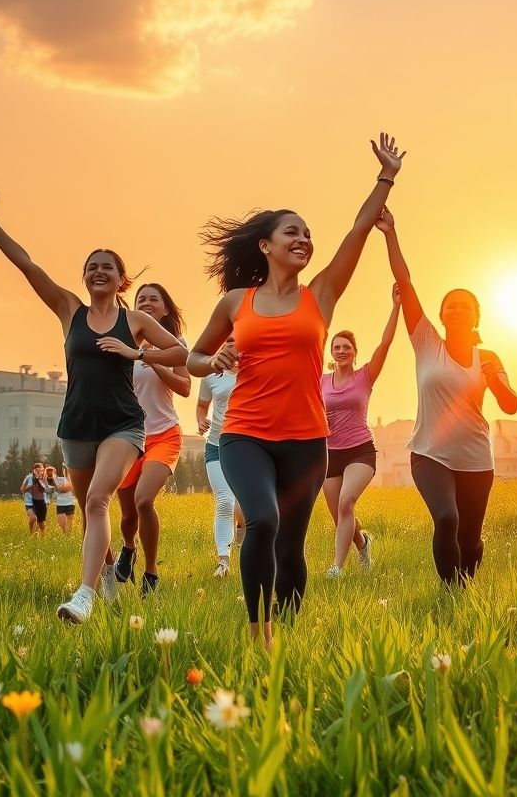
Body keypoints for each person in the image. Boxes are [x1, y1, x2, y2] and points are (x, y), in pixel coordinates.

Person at [187, 133, 404, 648]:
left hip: (308, 440)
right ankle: (258, 634)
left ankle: (285, 633)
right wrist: (212, 359)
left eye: (308, 233)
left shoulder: (320, 295)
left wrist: (387, 176)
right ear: (266, 245)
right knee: (261, 520)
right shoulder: (235, 302)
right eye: (292, 232)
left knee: (292, 543)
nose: (304, 239)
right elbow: (194, 358)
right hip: (246, 435)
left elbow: (356, 231)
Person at [0, 189, 187, 623]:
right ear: (84, 277)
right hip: (76, 425)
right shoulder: (69, 310)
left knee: (98, 500)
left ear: (121, 279)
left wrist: (138, 353)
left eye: (108, 267)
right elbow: (27, 266)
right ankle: (110, 573)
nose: (99, 271)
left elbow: (180, 354)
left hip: (124, 424)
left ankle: (85, 594)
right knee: (86, 507)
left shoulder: (135, 321)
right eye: (92, 267)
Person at [379, 206, 517, 585]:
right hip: (429, 454)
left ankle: (468, 583)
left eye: (465, 307)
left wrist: (497, 381)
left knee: (470, 540)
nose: (457, 310)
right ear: (441, 314)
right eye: (450, 306)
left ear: (476, 317)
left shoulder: (488, 357)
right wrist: (390, 232)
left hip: (476, 459)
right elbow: (405, 283)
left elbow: (511, 404)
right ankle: (451, 593)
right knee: (447, 519)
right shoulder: (426, 342)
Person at [114, 283, 190, 593]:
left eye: (153, 299)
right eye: (141, 298)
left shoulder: (175, 345)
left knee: (144, 500)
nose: (146, 302)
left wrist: (155, 361)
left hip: (164, 434)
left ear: (165, 309)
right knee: (128, 512)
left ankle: (151, 573)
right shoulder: (122, 345)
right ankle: (129, 548)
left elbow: (185, 387)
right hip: (127, 437)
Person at [322, 284, 401, 577]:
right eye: (337, 347)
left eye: (347, 347)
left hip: (360, 450)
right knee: (341, 515)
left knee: (346, 502)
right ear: (332, 352)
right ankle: (363, 542)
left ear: (355, 352)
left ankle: (336, 568)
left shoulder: (365, 376)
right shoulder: (321, 382)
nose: (342, 351)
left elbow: (385, 345)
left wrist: (396, 307)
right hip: (329, 453)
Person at [197, 358, 244, 577]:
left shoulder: (256, 370)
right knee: (225, 501)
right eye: (229, 340)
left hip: (248, 447)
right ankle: (223, 562)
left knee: (244, 507)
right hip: (216, 445)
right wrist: (200, 420)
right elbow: (201, 406)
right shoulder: (211, 374)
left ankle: (243, 546)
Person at [20, 461, 51, 535]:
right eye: (36, 470)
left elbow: (46, 490)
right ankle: (31, 534)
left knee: (41, 523)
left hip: (41, 502)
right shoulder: (28, 477)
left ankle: (43, 538)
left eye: (40, 470)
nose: (38, 472)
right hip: (29, 502)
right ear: (33, 470)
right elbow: (22, 489)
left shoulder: (44, 478)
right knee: (33, 518)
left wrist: (40, 482)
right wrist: (31, 485)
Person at [52, 464, 76, 535]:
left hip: (70, 503)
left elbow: (69, 488)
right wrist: (61, 487)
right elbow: (58, 490)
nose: (65, 471)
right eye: (64, 469)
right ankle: (65, 536)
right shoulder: (59, 479)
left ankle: (68, 539)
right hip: (60, 504)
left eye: (67, 469)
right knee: (61, 523)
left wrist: (61, 487)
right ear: (62, 470)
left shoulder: (73, 479)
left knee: (69, 524)